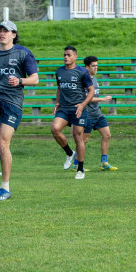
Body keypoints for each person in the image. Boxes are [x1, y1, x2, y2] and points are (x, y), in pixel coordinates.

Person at [0, 20, 39, 200]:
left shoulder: (23, 53)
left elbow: (35, 79)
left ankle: (5, 188)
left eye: (6, 31)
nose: (2, 33)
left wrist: (20, 80)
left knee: (4, 143)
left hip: (12, 104)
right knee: (0, 142)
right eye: (0, 31)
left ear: (14, 34)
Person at [50, 46, 94, 180]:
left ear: (75, 57)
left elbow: (91, 91)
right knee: (54, 129)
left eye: (68, 55)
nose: (65, 57)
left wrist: (82, 105)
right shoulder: (59, 72)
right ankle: (69, 153)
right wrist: (57, 102)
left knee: (77, 136)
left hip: (78, 108)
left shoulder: (82, 72)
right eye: (64, 55)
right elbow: (59, 88)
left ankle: (80, 169)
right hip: (64, 108)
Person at [71, 55, 118, 172]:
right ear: (86, 67)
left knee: (107, 135)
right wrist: (102, 99)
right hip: (87, 114)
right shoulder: (83, 80)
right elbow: (87, 98)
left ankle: (104, 162)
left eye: (97, 66)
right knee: (83, 140)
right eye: (93, 66)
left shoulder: (95, 79)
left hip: (98, 114)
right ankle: (76, 164)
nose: (96, 68)